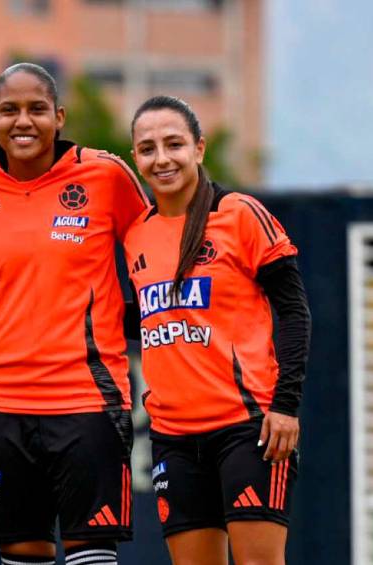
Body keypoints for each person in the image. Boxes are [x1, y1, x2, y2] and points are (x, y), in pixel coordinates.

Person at [0, 62, 149, 565]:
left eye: (37, 109)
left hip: (87, 400)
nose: (24, 121)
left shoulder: (105, 176)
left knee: (90, 552)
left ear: (59, 116)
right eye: (10, 110)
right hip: (2, 406)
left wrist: (124, 322)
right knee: (22, 552)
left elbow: (156, 252)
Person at [124, 95, 311, 565]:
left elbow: (294, 312)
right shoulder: (136, 235)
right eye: (148, 148)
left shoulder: (240, 214)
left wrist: (285, 406)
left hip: (246, 428)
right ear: (135, 159)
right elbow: (148, 319)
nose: (161, 158)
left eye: (174, 144)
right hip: (172, 436)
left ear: (199, 149)